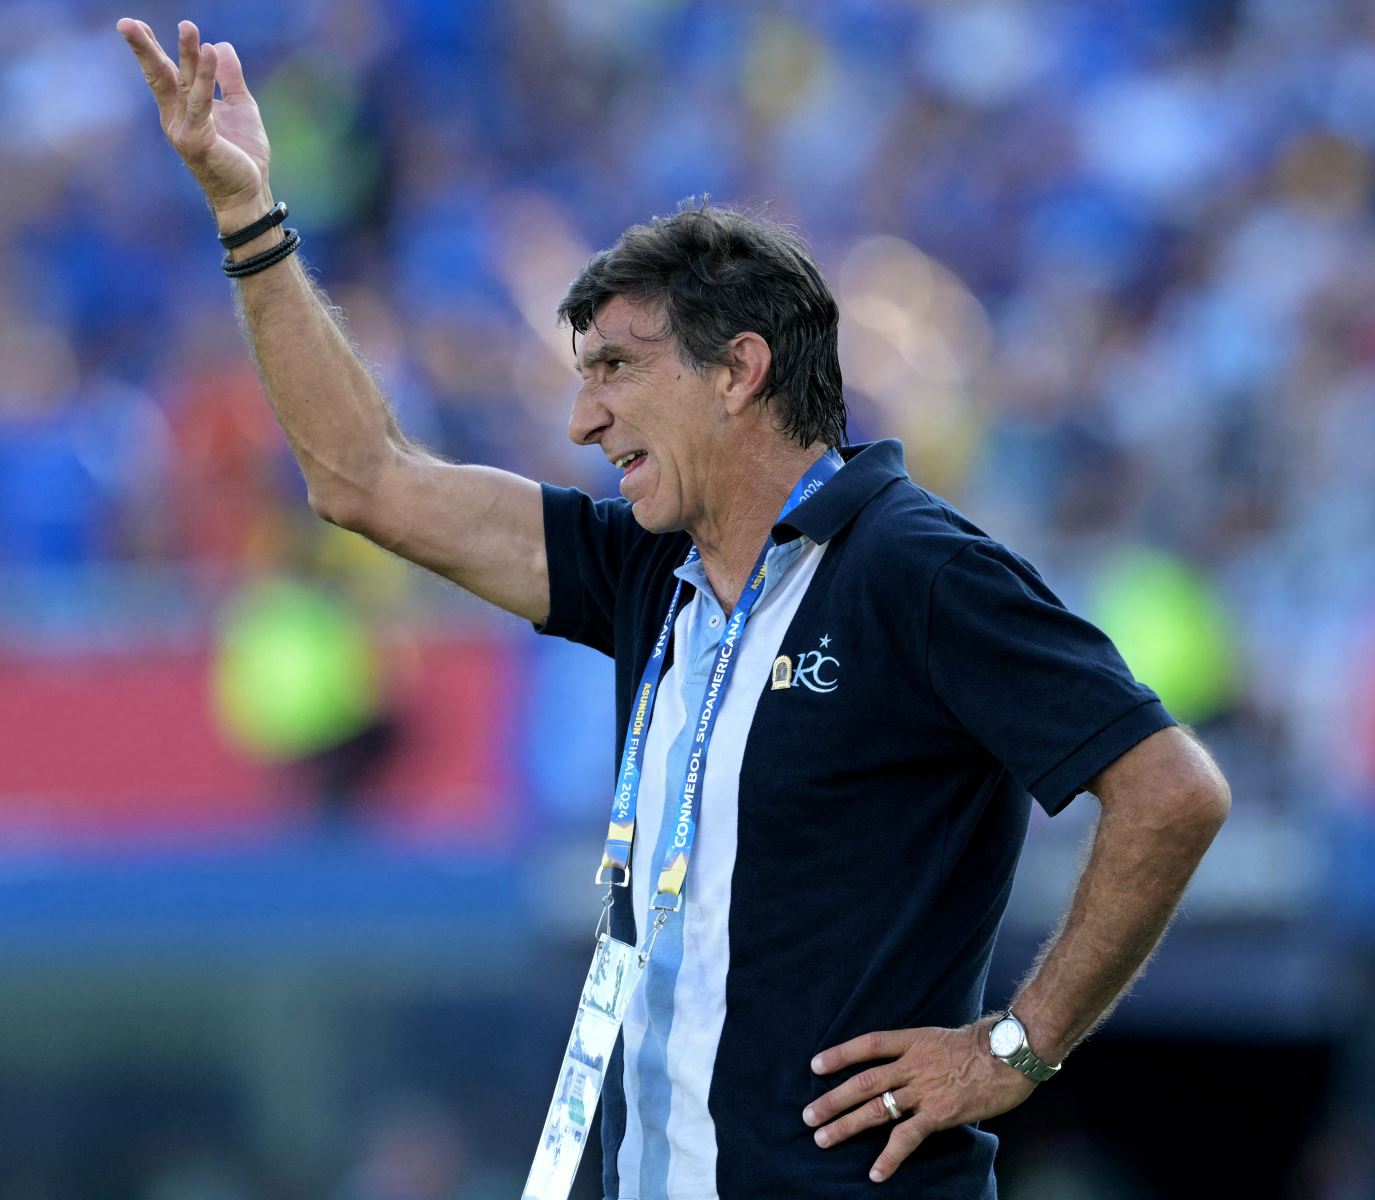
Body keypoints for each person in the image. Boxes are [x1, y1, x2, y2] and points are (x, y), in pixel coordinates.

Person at [116, 18, 1232, 1198]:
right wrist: (250, 218)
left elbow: (1171, 791)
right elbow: (366, 480)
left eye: (616, 370)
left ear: (739, 369)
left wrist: (1016, 1046)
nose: (582, 421)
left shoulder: (913, 568)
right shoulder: (649, 571)